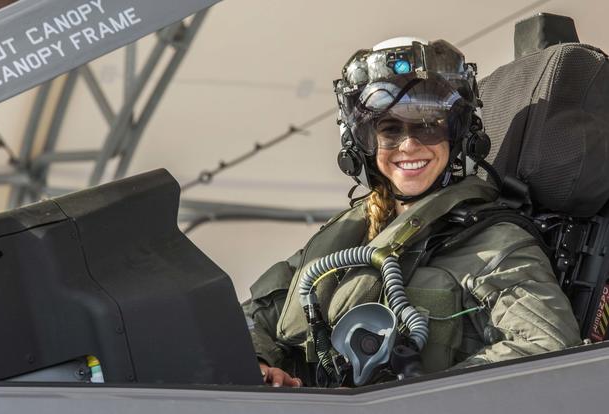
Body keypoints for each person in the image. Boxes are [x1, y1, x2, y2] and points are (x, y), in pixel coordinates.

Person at [243, 37, 582, 388]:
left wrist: (408, 394)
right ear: (361, 145)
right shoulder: (353, 233)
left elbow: (547, 349)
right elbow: (254, 318)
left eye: (428, 125)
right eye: (389, 130)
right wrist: (260, 363)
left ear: (459, 136)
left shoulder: (496, 245)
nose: (409, 145)